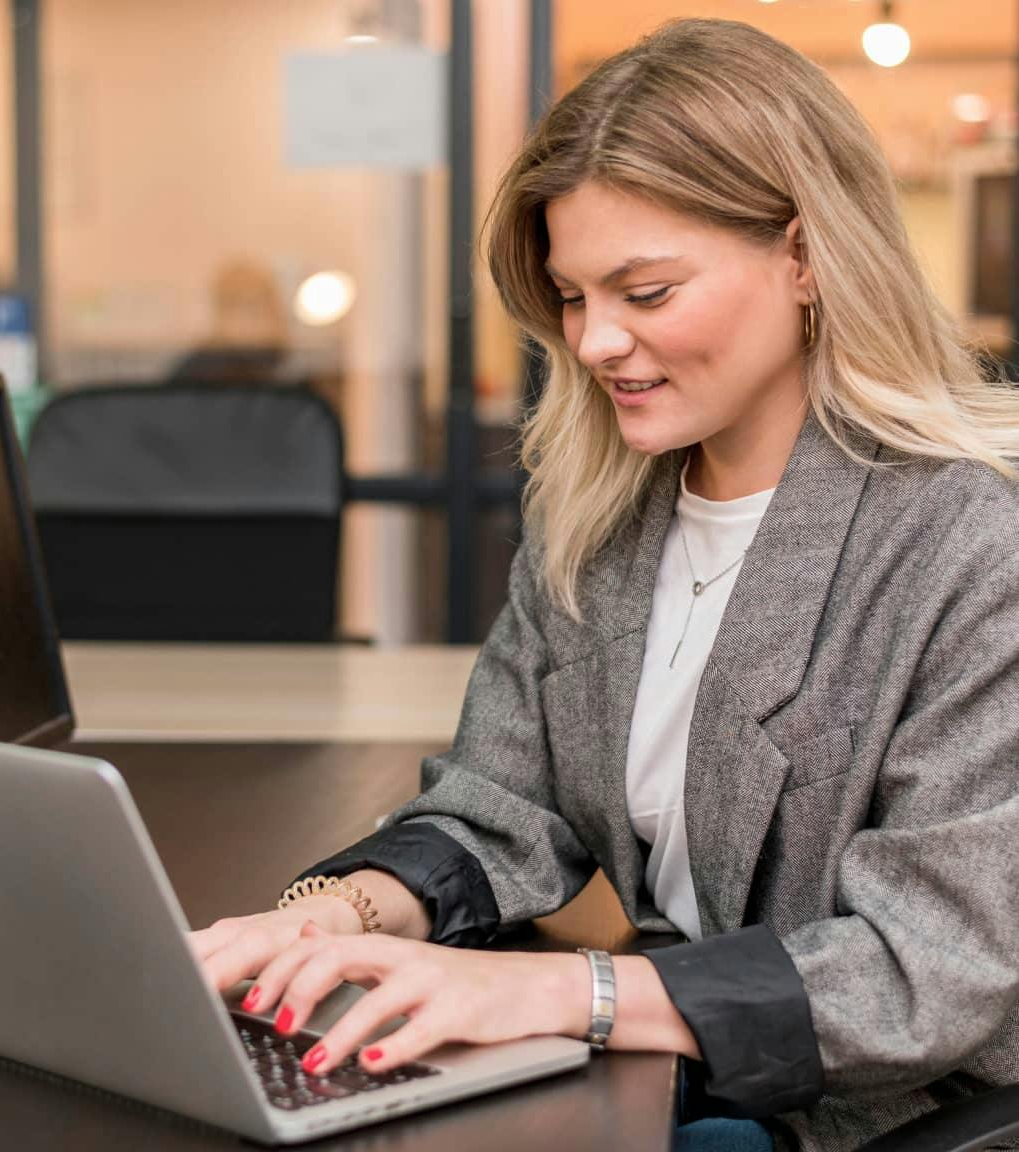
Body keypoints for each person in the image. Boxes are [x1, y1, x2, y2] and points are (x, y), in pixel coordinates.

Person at [190, 19, 1019, 1151]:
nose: (591, 343)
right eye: (574, 297)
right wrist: (323, 921)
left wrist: (564, 997)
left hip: (891, 1117)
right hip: (706, 1085)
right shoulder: (603, 520)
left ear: (805, 255)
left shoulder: (973, 544)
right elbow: (498, 805)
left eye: (646, 291)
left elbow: (933, 960)